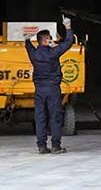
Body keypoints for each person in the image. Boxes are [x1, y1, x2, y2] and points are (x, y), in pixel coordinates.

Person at [24, 16, 75, 154]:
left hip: (39, 90)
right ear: (47, 40)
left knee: (40, 117)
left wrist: (27, 38)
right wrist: (68, 27)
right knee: (55, 117)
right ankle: (56, 146)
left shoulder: (34, 54)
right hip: (52, 89)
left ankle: (41, 146)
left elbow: (28, 45)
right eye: (50, 38)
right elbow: (69, 42)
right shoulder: (54, 53)